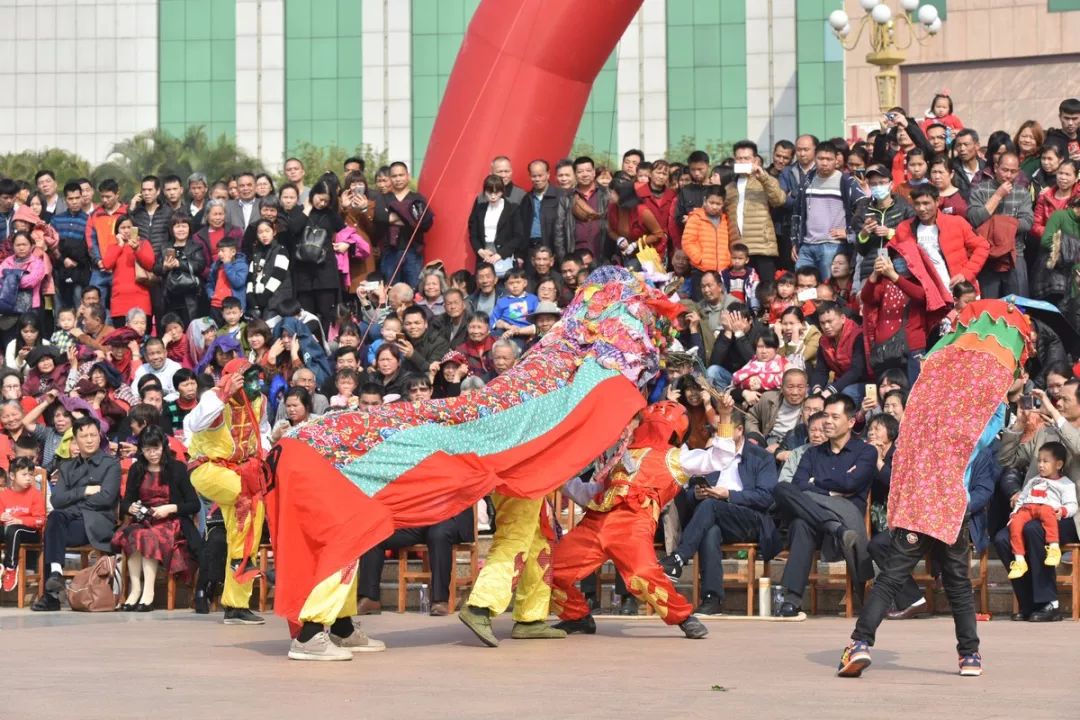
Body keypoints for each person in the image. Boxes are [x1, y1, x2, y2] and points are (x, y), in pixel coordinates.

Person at [548, 401, 728, 639]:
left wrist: (725, 418)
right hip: (595, 523)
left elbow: (717, 459)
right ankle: (577, 616)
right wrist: (558, 478)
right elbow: (593, 492)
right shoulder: (620, 456)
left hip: (633, 525)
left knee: (644, 573)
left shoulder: (677, 458)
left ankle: (683, 617)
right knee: (549, 570)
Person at [659, 401, 780, 615]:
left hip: (750, 518)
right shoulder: (712, 455)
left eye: (722, 429)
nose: (717, 435)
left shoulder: (761, 457)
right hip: (715, 513)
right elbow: (691, 494)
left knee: (711, 506)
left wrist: (729, 495)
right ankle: (712, 598)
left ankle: (679, 557)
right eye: (715, 430)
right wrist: (695, 495)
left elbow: (766, 497)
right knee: (710, 529)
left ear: (740, 430)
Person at [771, 394, 876, 617]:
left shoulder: (866, 451)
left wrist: (816, 484)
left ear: (850, 422)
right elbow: (798, 485)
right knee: (785, 494)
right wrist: (833, 490)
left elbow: (852, 483)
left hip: (847, 517)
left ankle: (791, 598)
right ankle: (792, 600)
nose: (827, 421)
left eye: (834, 416)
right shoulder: (812, 453)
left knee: (801, 519)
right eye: (826, 415)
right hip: (833, 529)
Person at [186, 358, 270, 625]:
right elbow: (194, 423)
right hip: (208, 469)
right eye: (246, 378)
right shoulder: (213, 399)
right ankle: (239, 560)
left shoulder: (259, 400)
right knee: (251, 500)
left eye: (255, 378)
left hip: (239, 472)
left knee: (243, 526)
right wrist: (224, 392)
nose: (253, 384)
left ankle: (236, 605)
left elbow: (262, 433)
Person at [32, 415, 121, 611]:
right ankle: (55, 575)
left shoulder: (111, 464)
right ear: (76, 440)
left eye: (93, 435)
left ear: (99, 437)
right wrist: (84, 491)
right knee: (54, 519)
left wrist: (73, 499)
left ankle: (51, 596)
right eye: (84, 436)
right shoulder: (67, 466)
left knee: (55, 527)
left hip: (96, 522)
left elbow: (106, 498)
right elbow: (56, 500)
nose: (89, 440)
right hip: (69, 520)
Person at [112, 426, 200, 611]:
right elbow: (126, 500)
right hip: (145, 519)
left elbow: (194, 504)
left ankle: (148, 592)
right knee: (132, 534)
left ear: (163, 446)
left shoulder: (177, 468)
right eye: (147, 449)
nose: (152, 454)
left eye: (156, 448)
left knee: (147, 536)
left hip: (171, 522)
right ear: (141, 449)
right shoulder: (138, 468)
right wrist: (132, 507)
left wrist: (170, 508)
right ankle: (135, 590)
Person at [1005, 441, 1077, 579]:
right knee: (1015, 524)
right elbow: (1022, 498)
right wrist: (1015, 513)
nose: (1041, 465)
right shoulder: (1034, 480)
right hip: (1028, 509)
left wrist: (1063, 510)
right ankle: (1019, 560)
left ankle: (1054, 547)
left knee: (1047, 513)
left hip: (1047, 509)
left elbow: (1072, 504)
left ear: (1059, 465)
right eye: (1039, 461)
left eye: (1046, 461)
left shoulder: (1066, 483)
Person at [791, 143, 864, 278]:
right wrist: (795, 241)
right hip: (806, 245)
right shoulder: (807, 180)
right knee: (802, 287)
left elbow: (863, 206)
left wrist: (849, 233)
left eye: (829, 159)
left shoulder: (846, 181)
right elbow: (797, 212)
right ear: (814, 159)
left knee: (828, 286)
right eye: (820, 158)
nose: (824, 163)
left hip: (832, 245)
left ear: (836, 160)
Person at [967, 152, 1034, 298]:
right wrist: (998, 195)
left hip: (1015, 254)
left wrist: (998, 224)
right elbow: (974, 219)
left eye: (1013, 171)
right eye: (1005, 170)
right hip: (987, 255)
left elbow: (1027, 223)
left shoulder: (1022, 193)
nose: (1009, 175)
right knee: (989, 307)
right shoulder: (980, 190)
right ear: (996, 167)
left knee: (1017, 306)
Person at [725, 140, 787, 279]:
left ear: (755, 160)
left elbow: (779, 200)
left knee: (766, 290)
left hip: (761, 246)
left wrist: (763, 177)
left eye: (746, 158)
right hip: (738, 249)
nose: (742, 161)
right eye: (739, 158)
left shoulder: (765, 180)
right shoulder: (730, 187)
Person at [0, 456, 46, 591]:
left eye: (31, 475)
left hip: (30, 532)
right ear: (12, 476)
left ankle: (10, 568)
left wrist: (21, 521)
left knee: (15, 530)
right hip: (8, 530)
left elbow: (40, 520)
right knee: (10, 529)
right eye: (24, 474)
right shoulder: (3, 495)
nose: (28, 478)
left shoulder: (35, 494)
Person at [469, 175, 520, 271]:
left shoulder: (513, 209)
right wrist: (480, 250)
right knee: (484, 282)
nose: (493, 196)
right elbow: (473, 234)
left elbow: (518, 236)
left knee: (504, 283)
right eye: (489, 192)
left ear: (502, 191)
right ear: (484, 191)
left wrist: (500, 254)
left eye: (497, 192)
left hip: (504, 254)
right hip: (484, 254)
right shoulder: (480, 209)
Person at [681, 186, 731, 274]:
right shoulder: (696, 218)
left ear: (723, 204)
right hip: (701, 270)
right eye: (711, 203)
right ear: (705, 201)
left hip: (722, 270)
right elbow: (687, 242)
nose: (714, 207)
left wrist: (728, 260)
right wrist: (699, 259)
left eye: (718, 204)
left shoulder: (725, 220)